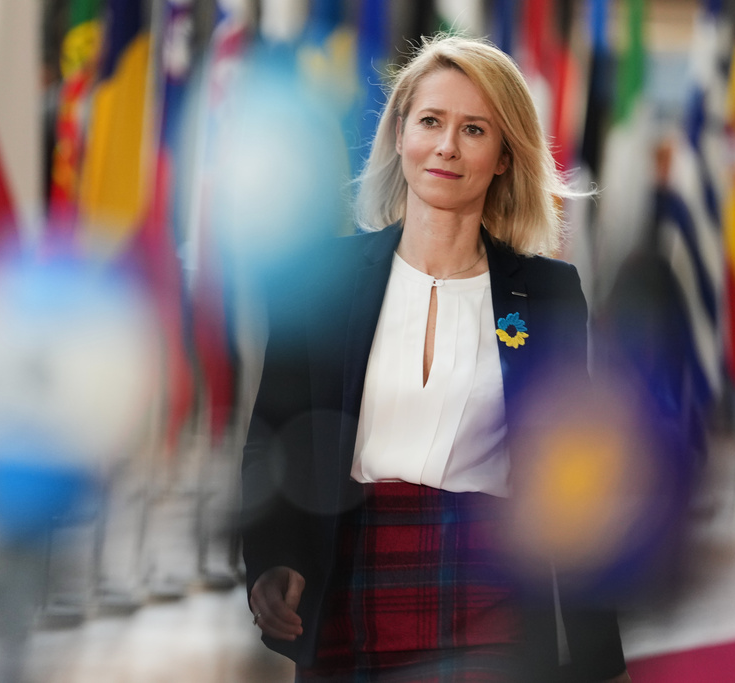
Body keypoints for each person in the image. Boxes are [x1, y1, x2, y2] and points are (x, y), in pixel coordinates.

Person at [240, 34, 630, 682]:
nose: (447, 146)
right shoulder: (320, 279)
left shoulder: (548, 294)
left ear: (504, 156)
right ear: (400, 135)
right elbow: (272, 436)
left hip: (490, 592)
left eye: (474, 129)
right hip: (346, 583)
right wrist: (272, 556)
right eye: (430, 121)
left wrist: (597, 651)